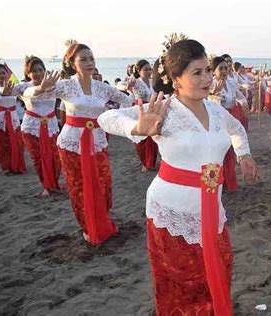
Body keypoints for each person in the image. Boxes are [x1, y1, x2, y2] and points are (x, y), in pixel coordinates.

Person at [97, 39, 259, 316]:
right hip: (173, 208)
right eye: (197, 73)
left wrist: (244, 155)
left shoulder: (217, 111)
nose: (207, 78)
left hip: (212, 206)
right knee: (183, 281)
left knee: (218, 268)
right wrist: (137, 127)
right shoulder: (164, 110)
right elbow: (106, 117)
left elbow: (237, 131)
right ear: (175, 79)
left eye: (207, 70)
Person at [24, 43, 134, 244]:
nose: (89, 62)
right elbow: (29, 94)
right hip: (71, 142)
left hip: (97, 141)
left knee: (104, 184)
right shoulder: (66, 85)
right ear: (72, 63)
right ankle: (87, 227)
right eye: (83, 59)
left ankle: (101, 221)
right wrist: (41, 87)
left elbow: (127, 101)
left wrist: (122, 117)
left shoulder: (102, 88)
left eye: (91, 58)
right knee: (78, 187)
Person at [0, 56, 61, 195]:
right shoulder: (24, 87)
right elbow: (4, 91)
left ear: (45, 71)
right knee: (38, 158)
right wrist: (3, 91)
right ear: (28, 73)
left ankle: (54, 183)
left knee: (55, 158)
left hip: (51, 126)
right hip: (31, 128)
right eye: (34, 70)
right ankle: (46, 186)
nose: (38, 73)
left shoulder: (54, 85)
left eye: (40, 70)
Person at [209, 56, 249, 191]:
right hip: (216, 121)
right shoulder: (210, 84)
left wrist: (244, 104)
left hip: (230, 118)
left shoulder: (231, 82)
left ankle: (229, 181)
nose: (224, 71)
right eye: (221, 68)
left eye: (226, 68)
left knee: (230, 150)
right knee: (220, 150)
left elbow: (239, 95)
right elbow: (206, 102)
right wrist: (214, 94)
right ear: (213, 71)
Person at [0, 63, 27, 174]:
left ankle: (18, 166)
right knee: (3, 145)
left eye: (3, 73)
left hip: (13, 118)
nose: (1, 75)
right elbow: (0, 93)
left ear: (7, 74)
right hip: (0, 120)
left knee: (18, 143)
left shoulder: (15, 86)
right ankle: (6, 168)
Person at [130, 59, 159, 172]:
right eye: (145, 69)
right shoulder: (135, 82)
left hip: (152, 110)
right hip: (140, 111)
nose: (148, 72)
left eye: (149, 69)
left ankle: (151, 162)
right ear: (139, 70)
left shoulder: (153, 82)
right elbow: (128, 90)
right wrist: (129, 88)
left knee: (153, 137)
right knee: (142, 138)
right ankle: (144, 163)